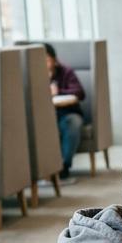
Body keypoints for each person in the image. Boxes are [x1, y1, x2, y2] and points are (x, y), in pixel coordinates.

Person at [45, 43, 86, 181]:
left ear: (54, 59)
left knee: (71, 123)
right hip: (46, 117)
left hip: (67, 112)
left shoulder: (66, 72)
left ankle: (64, 166)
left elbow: (79, 92)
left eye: (47, 60)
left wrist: (58, 92)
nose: (44, 64)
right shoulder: (33, 76)